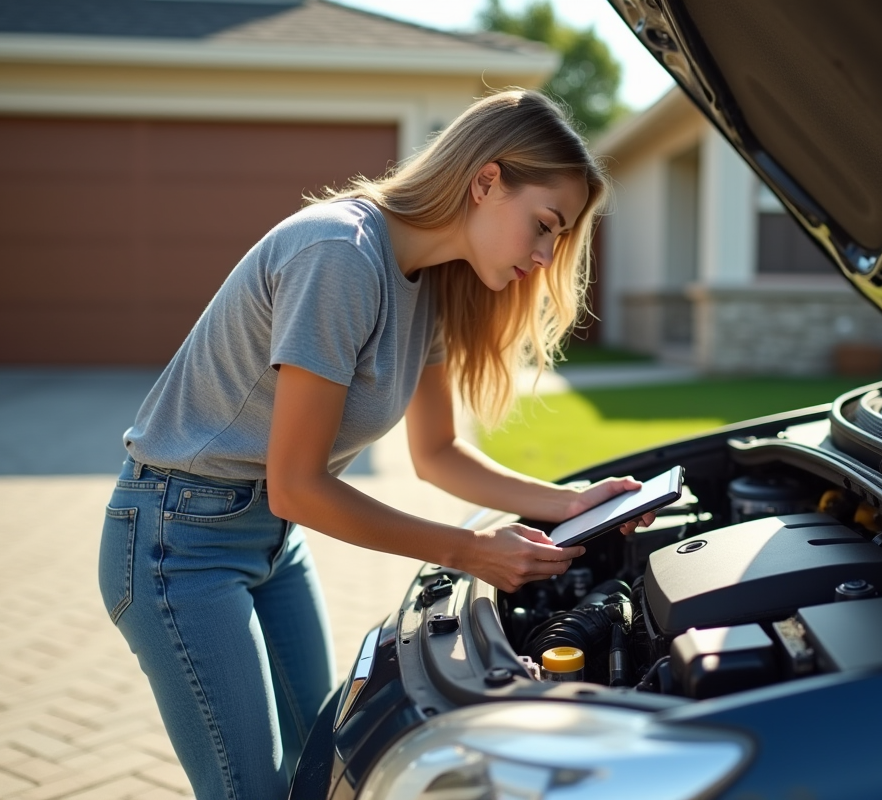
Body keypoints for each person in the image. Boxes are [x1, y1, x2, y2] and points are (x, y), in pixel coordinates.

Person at [96, 89, 654, 800]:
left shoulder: (435, 284)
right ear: (486, 181)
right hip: (178, 542)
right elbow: (298, 483)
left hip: (271, 537)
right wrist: (468, 551)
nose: (546, 257)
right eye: (544, 226)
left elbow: (438, 454)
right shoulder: (341, 255)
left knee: (323, 765)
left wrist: (573, 501)